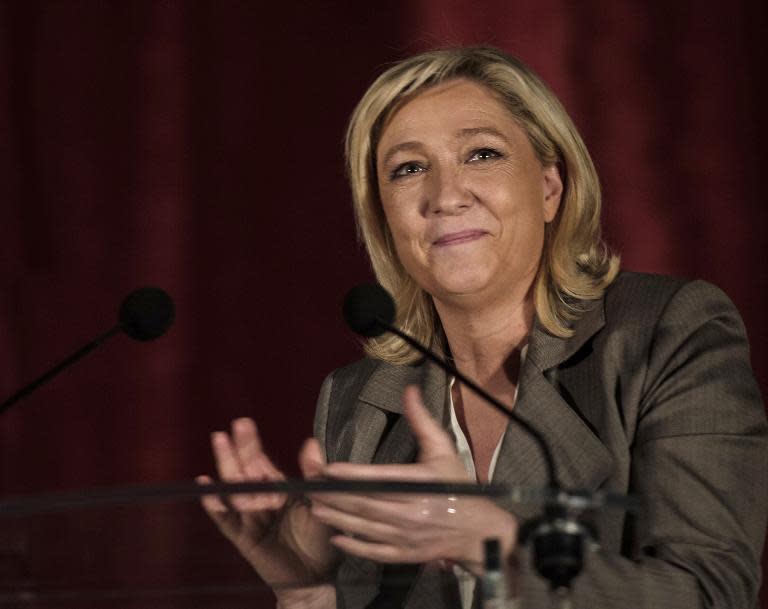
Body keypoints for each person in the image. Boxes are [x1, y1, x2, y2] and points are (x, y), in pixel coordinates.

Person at [197, 47, 768, 609]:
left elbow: (710, 592)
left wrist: (495, 549)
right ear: (384, 217)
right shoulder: (357, 402)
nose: (445, 196)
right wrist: (306, 593)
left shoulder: (666, 335)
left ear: (550, 188)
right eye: (409, 169)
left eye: (482, 155)